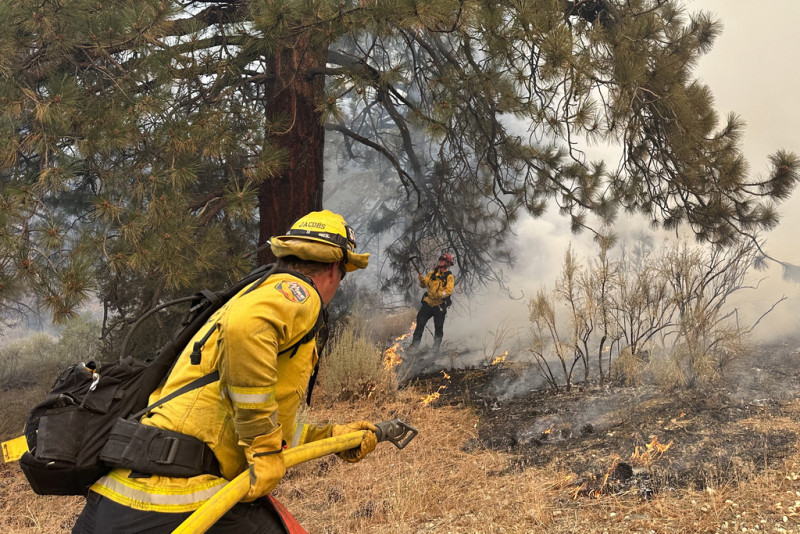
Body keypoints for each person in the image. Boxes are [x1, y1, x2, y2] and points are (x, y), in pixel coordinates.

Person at [73, 210, 377, 533]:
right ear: (334, 269)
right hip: (173, 498)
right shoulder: (298, 294)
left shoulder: (250, 294)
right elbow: (248, 329)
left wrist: (329, 437)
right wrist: (262, 444)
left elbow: (237, 419)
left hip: (115, 499)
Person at [409, 253, 455, 354]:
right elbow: (424, 285)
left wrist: (439, 294)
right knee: (420, 324)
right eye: (440, 260)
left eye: (443, 261)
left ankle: (435, 350)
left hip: (440, 306)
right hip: (428, 304)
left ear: (447, 263)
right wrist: (421, 280)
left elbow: (448, 290)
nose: (440, 262)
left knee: (438, 328)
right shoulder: (432, 273)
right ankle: (414, 347)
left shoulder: (449, 276)